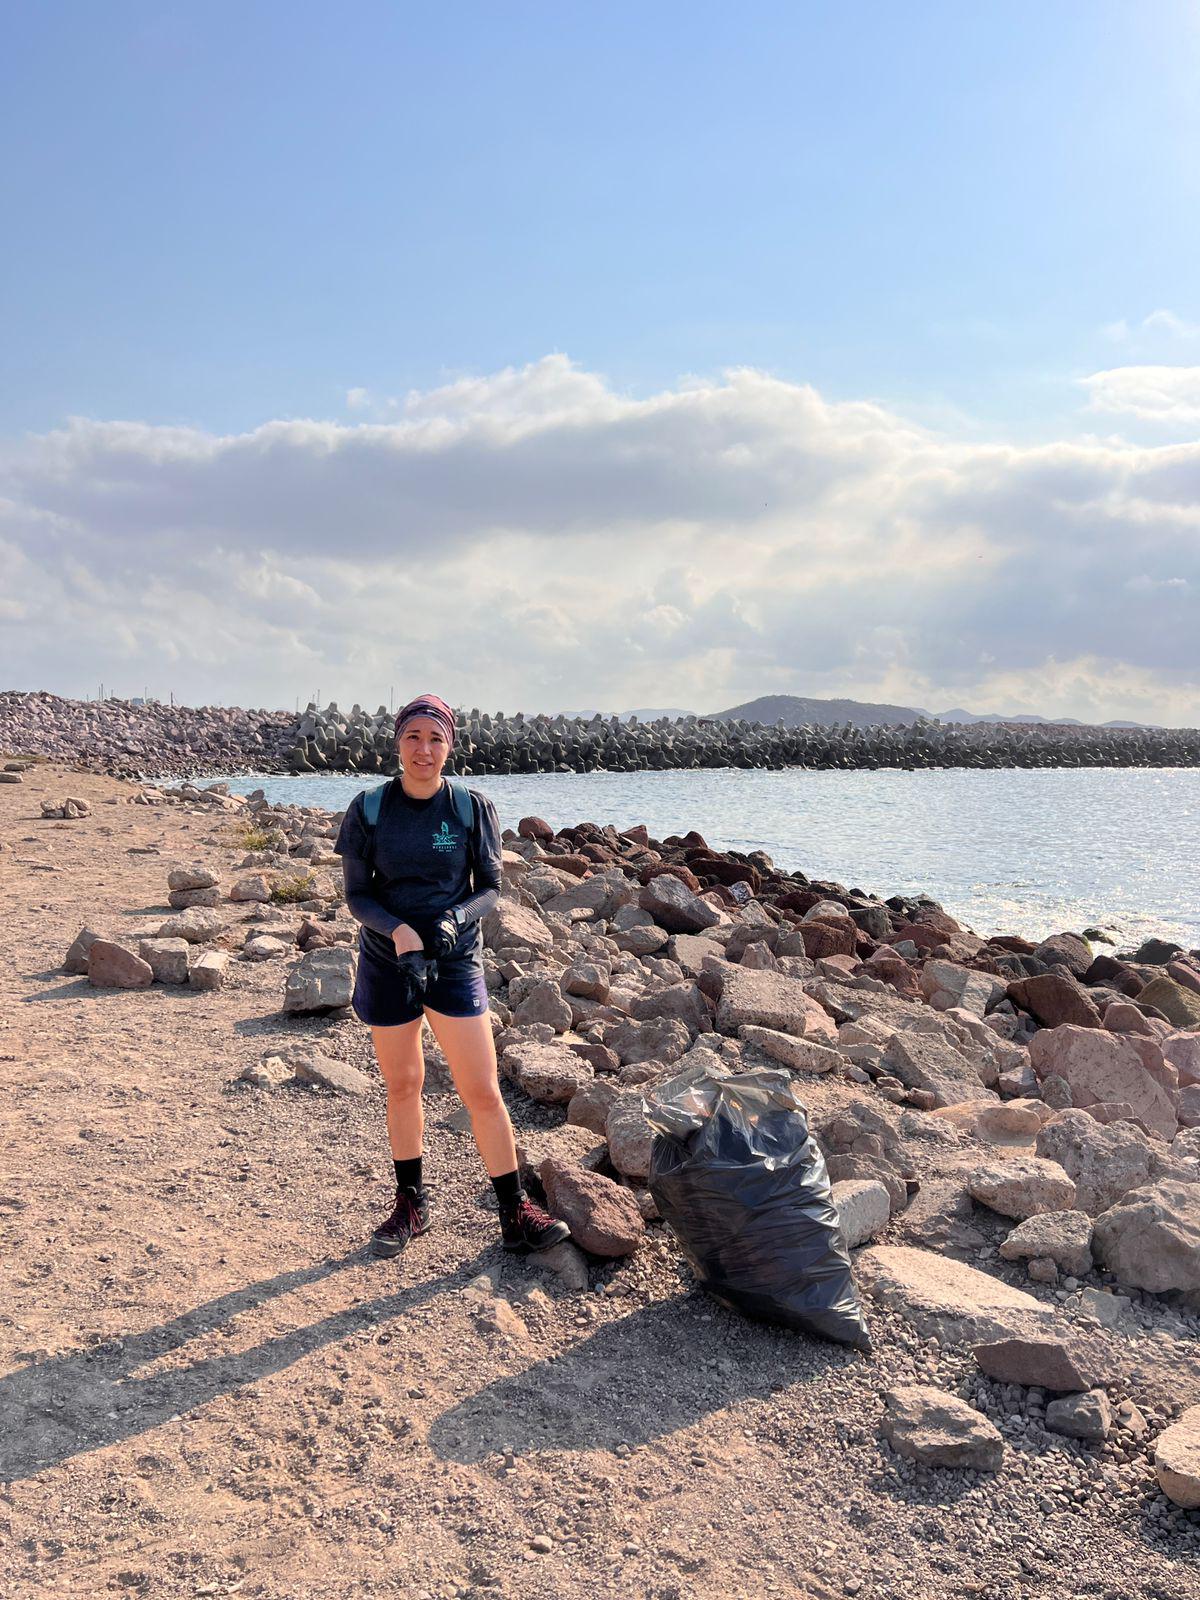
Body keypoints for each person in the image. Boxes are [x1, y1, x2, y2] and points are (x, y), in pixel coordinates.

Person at [334, 692, 571, 1259]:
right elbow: (357, 895)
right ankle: (411, 1203)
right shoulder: (368, 808)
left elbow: (488, 887)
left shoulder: (470, 808)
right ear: (397, 743)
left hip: (454, 959)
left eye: (435, 739)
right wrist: (398, 929)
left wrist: (451, 919)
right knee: (404, 1084)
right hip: (387, 959)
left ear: (451, 747)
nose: (424, 749)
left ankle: (515, 1211)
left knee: (482, 1090)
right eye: (413, 737)